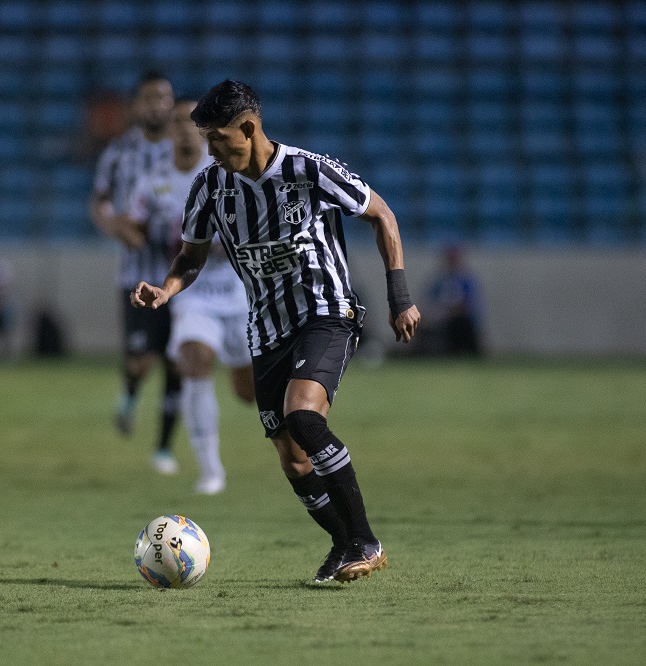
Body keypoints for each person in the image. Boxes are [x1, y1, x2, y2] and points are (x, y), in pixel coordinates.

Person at [131, 80, 420, 583]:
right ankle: (342, 545)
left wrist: (400, 298)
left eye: (218, 139)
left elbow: (382, 215)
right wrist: (166, 289)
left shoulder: (309, 170)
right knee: (292, 458)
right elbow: (190, 256)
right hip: (265, 330)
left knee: (304, 416)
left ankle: (366, 542)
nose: (211, 150)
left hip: (326, 313)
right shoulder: (210, 187)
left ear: (248, 127)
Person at [126, 99, 254, 495]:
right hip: (190, 293)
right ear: (168, 130)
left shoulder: (226, 172)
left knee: (248, 394)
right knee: (194, 362)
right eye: (177, 122)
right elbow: (134, 225)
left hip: (238, 292)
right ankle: (211, 471)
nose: (184, 128)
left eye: (192, 123)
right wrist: (151, 242)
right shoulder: (153, 180)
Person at [90, 71, 182, 474]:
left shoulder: (187, 147)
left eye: (163, 97)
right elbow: (100, 202)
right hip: (137, 275)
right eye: (148, 98)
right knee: (140, 360)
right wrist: (116, 228)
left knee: (179, 360)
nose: (156, 105)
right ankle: (129, 393)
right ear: (136, 105)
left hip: (182, 278)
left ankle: (163, 448)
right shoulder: (119, 152)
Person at [420, 245, 483, 356]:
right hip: (441, 319)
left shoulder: (466, 281)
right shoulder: (438, 281)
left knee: (461, 324)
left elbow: (470, 305)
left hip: (461, 320)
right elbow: (431, 303)